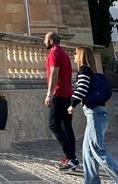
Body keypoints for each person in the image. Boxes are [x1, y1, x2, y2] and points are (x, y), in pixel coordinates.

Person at [68, 46, 118, 183]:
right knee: (88, 152)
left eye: (75, 53)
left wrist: (72, 104)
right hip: (97, 114)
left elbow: (82, 89)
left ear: (80, 55)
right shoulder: (90, 70)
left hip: (95, 114)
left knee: (98, 151)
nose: (73, 56)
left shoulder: (84, 70)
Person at [44, 31, 79, 171]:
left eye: (45, 39)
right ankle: (72, 158)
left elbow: (54, 73)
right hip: (67, 95)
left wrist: (49, 94)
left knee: (54, 125)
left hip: (58, 94)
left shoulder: (54, 53)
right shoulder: (63, 53)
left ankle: (71, 158)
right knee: (67, 127)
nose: (44, 42)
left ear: (51, 41)